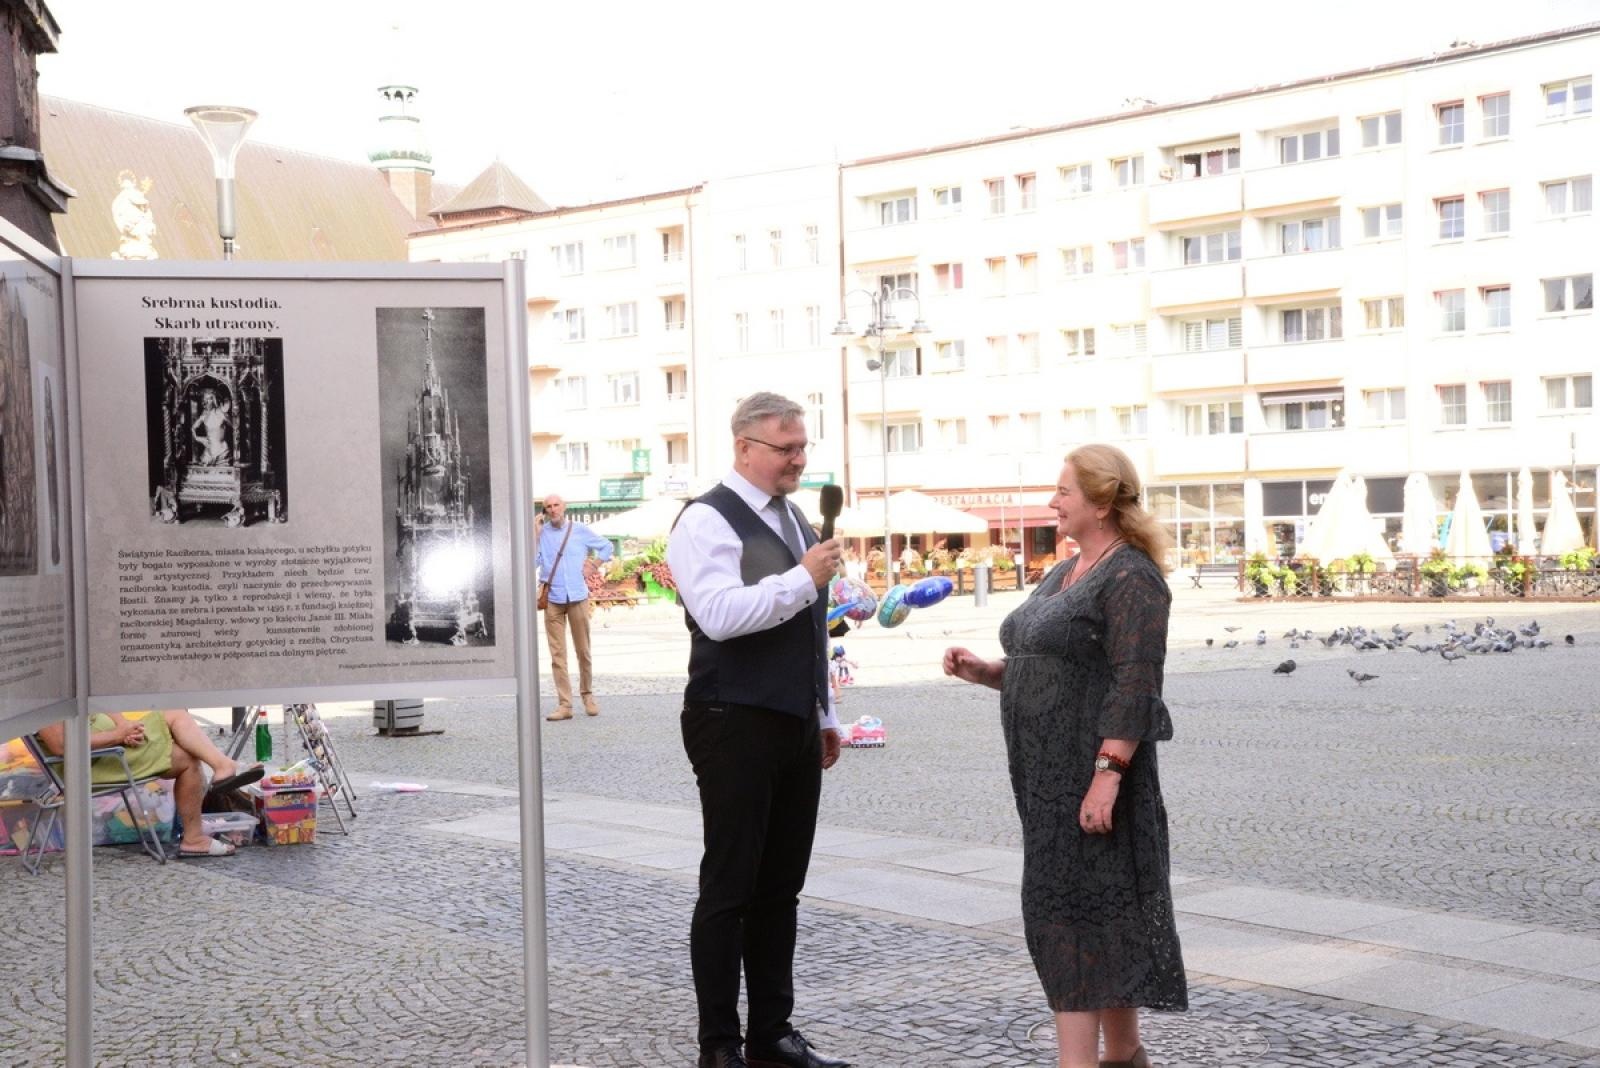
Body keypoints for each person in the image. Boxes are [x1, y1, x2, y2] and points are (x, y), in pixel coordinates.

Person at [942, 443, 1186, 1068]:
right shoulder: (1067, 569)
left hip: (1090, 776)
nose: (1052, 501)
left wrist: (1106, 779)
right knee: (1094, 918)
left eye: (1063, 492)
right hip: (1044, 785)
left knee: (1069, 922)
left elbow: (1136, 683)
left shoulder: (1131, 575)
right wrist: (987, 672)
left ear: (1101, 502)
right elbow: (1052, 662)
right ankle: (1124, 1056)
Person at [666, 392, 851, 1068]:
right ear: (745, 447)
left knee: (781, 888)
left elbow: (809, 625)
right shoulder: (705, 521)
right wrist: (803, 578)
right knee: (730, 887)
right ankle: (719, 1045)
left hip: (793, 720)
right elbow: (718, 614)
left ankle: (772, 1033)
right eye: (786, 448)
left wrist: (822, 712)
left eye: (802, 447)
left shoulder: (796, 516)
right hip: (732, 718)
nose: (799, 459)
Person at [37, 709, 264, 858]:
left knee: (177, 718)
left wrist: (124, 725)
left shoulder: (57, 666)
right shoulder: (44, 684)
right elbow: (60, 745)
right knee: (187, 756)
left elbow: (97, 697)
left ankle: (223, 766)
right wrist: (118, 734)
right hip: (94, 761)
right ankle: (223, 770)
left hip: (110, 744)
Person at [536, 494, 614, 721]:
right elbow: (531, 562)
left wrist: (595, 565)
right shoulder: (542, 534)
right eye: (548, 507)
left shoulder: (579, 530)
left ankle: (588, 696)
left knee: (583, 651)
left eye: (556, 505)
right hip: (553, 599)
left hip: (578, 597)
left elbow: (607, 547)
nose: (552, 509)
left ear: (564, 507)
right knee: (557, 655)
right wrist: (534, 534)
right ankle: (565, 705)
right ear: (545, 511)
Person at [191, 389, 231, 466]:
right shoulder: (204, 415)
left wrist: (226, 416)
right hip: (208, 454)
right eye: (205, 399)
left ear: (214, 400)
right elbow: (193, 428)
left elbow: (236, 427)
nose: (206, 402)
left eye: (209, 399)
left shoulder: (221, 413)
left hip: (222, 452)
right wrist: (197, 438)